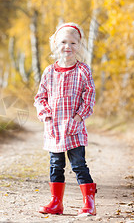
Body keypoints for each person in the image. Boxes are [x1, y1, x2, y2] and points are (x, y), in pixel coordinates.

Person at [34, 22, 97, 216]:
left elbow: (89, 96)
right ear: (55, 44)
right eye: (63, 42)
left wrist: (78, 118)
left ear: (79, 45)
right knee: (55, 165)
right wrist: (46, 116)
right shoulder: (48, 72)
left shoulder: (83, 71)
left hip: (74, 129)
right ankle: (56, 202)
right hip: (54, 130)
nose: (67, 46)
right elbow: (40, 97)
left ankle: (89, 202)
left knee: (78, 165)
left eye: (73, 42)